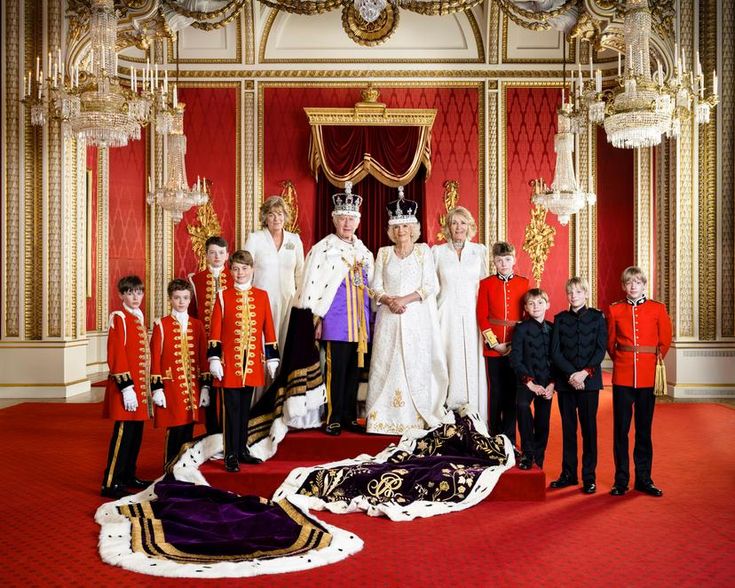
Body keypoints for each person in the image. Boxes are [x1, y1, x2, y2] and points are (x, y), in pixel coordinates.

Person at [366, 187, 449, 435]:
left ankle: (415, 417)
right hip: (388, 318)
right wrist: (389, 300)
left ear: (414, 228)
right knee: (386, 363)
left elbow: (429, 286)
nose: (402, 231)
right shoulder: (383, 253)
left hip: (415, 318)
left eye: (406, 227)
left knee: (413, 363)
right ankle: (382, 420)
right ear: (392, 230)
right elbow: (375, 287)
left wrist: (403, 299)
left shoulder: (423, 252)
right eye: (397, 227)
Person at [295, 181, 373, 436]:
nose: (347, 224)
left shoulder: (364, 252)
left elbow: (370, 288)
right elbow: (313, 285)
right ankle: (334, 417)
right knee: (335, 371)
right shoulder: (323, 250)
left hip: (359, 323)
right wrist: (315, 320)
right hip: (336, 321)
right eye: (342, 219)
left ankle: (350, 416)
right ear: (334, 220)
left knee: (354, 371)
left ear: (357, 222)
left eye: (351, 219)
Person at [207, 250, 280, 472]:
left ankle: (242, 450)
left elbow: (268, 328)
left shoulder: (262, 295)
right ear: (230, 271)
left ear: (252, 269)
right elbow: (215, 330)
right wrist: (214, 358)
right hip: (229, 364)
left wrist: (272, 358)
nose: (240, 273)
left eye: (244, 268)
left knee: (244, 409)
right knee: (231, 410)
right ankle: (230, 453)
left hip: (252, 364)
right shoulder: (222, 296)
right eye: (236, 269)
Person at [606, 266, 672, 497]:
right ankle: (621, 480)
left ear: (644, 285)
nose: (633, 286)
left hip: (647, 378)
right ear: (624, 286)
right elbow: (611, 343)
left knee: (644, 431)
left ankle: (644, 479)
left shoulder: (657, 308)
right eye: (629, 283)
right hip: (623, 377)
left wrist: (648, 362)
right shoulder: (615, 310)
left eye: (637, 282)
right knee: (621, 431)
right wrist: (624, 360)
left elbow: (665, 341)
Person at [550, 277, 607, 494]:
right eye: (570, 292)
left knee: (589, 430)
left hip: (590, 383)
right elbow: (555, 352)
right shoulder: (560, 319)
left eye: (578, 292)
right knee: (568, 430)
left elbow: (600, 350)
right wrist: (572, 375)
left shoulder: (597, 318)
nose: (574, 296)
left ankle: (589, 477)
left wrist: (584, 374)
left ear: (586, 294)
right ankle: (568, 474)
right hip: (566, 383)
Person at [432, 206, 489, 421]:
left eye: (463, 223)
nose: (459, 227)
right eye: (454, 222)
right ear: (448, 226)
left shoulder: (479, 251)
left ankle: (472, 409)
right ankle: (446, 409)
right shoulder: (437, 252)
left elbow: (484, 287)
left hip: (472, 313)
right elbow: (432, 287)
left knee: (471, 358)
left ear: (470, 226)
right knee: (447, 358)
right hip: (445, 313)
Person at [101, 275, 152, 499]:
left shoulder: (138, 317)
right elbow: (116, 354)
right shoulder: (119, 318)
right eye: (130, 293)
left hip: (139, 389)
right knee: (122, 436)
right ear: (121, 295)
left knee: (135, 435)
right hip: (126, 389)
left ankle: (128, 475)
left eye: (138, 292)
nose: (135, 297)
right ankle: (110, 481)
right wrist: (126, 387)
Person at [150, 279, 211, 467]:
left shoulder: (197, 325)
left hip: (192, 387)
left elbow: (203, 358)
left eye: (185, 298)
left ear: (190, 299)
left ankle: (183, 467)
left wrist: (205, 387)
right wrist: (157, 388)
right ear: (170, 299)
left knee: (188, 429)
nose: (181, 302)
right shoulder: (161, 324)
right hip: (171, 386)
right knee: (175, 427)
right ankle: (169, 467)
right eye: (177, 298)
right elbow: (155, 358)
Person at [476, 241, 529, 443]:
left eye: (507, 259)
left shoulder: (523, 283)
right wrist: (494, 343)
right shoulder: (486, 284)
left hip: (515, 348)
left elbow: (526, 316)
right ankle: (494, 434)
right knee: (496, 390)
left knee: (513, 390)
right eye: (499, 260)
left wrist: (515, 344)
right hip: (493, 348)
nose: (504, 264)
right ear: (494, 262)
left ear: (514, 260)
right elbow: (482, 317)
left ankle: (509, 437)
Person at [244, 195, 305, 349]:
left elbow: (300, 272)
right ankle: (263, 373)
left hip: (288, 299)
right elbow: (245, 270)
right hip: (261, 298)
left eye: (280, 214)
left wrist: (301, 299)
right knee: (263, 341)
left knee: (286, 342)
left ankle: (281, 374)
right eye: (271, 214)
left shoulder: (294, 240)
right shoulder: (255, 239)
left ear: (285, 216)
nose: (276, 219)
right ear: (265, 218)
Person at [189, 235, 231, 435]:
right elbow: (191, 314)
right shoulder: (195, 280)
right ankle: (211, 432)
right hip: (204, 344)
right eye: (213, 253)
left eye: (221, 253)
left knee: (227, 389)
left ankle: (227, 432)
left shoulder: (235, 277)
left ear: (227, 255)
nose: (217, 257)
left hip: (229, 345)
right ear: (205, 255)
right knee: (207, 389)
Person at [510, 288, 554, 470]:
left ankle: (539, 455)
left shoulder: (552, 328)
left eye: (540, 303)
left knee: (543, 420)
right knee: (522, 406)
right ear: (526, 308)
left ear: (547, 305)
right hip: (526, 380)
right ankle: (527, 453)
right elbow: (515, 359)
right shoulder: (520, 329)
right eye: (531, 304)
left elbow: (557, 359)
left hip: (547, 382)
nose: (536, 307)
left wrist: (552, 384)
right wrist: (529, 383)